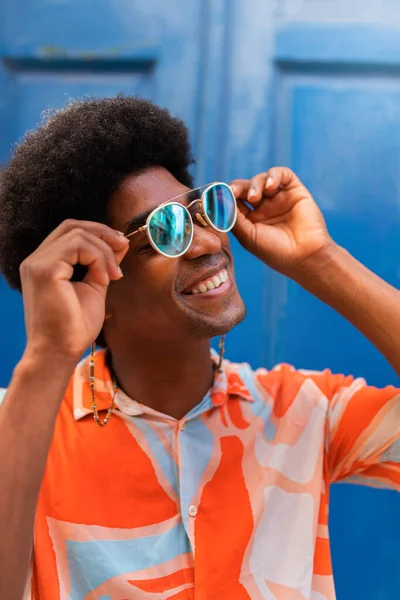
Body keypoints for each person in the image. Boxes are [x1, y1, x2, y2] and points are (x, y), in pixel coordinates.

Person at [0, 96, 398, 600]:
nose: (208, 244)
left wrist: (319, 260)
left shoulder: (302, 411)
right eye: (164, 233)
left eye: (203, 211)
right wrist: (47, 357)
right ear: (95, 287)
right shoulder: (21, 431)